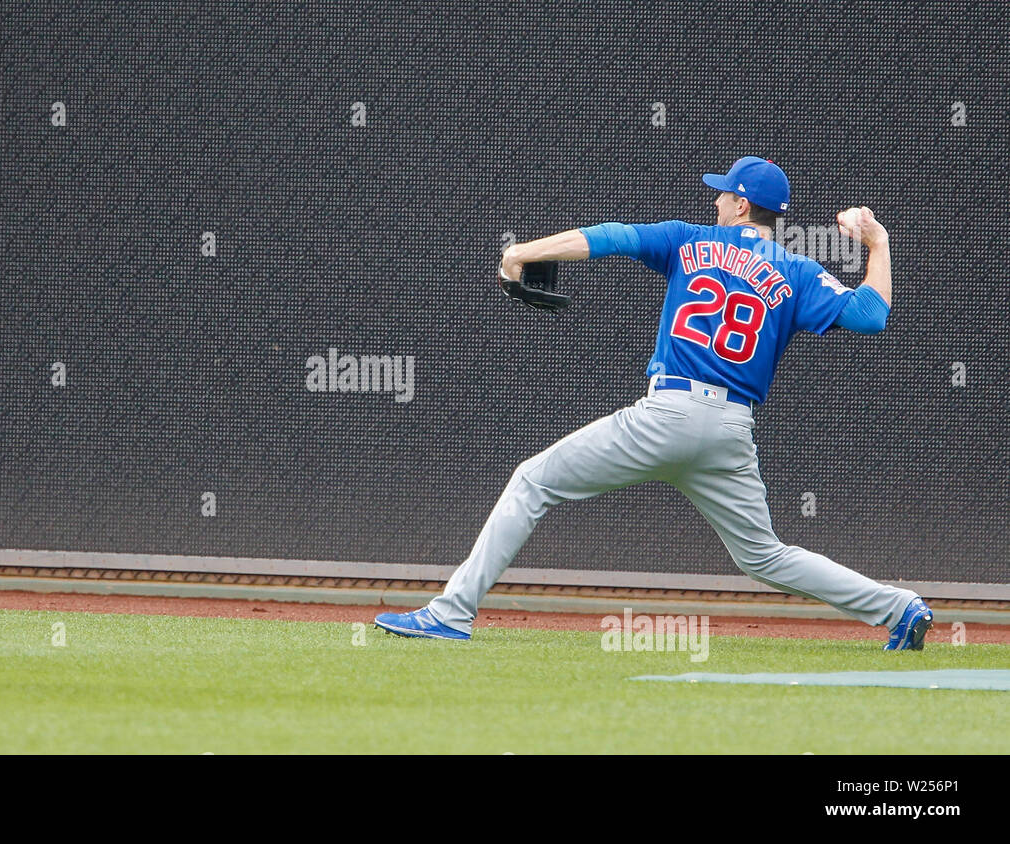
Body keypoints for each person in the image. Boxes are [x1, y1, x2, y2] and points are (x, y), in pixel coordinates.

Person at [374, 156, 933, 649]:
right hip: (730, 430)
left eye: (723, 192)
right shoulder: (797, 271)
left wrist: (521, 251)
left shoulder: (688, 240)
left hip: (668, 414)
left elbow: (609, 236)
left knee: (532, 481)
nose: (715, 199)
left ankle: (450, 614)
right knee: (763, 555)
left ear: (741, 205)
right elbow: (870, 315)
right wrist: (877, 244)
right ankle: (898, 608)